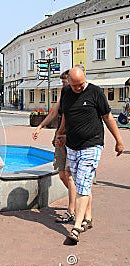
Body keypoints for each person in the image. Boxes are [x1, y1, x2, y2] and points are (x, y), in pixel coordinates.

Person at [55, 67, 124, 243]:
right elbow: (65, 116)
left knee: (84, 183)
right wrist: (60, 134)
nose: (78, 88)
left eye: (81, 84)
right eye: (75, 85)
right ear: (68, 82)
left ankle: (76, 227)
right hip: (72, 145)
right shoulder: (66, 92)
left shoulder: (96, 92)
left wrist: (119, 140)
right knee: (81, 184)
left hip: (92, 144)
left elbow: (108, 117)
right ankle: (88, 218)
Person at [32, 70, 76, 224]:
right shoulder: (64, 95)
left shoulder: (79, 96)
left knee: (69, 175)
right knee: (62, 173)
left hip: (72, 139)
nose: (63, 86)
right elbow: (53, 113)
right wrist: (40, 127)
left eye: (65, 83)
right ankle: (76, 196)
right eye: (63, 83)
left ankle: (72, 209)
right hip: (60, 137)